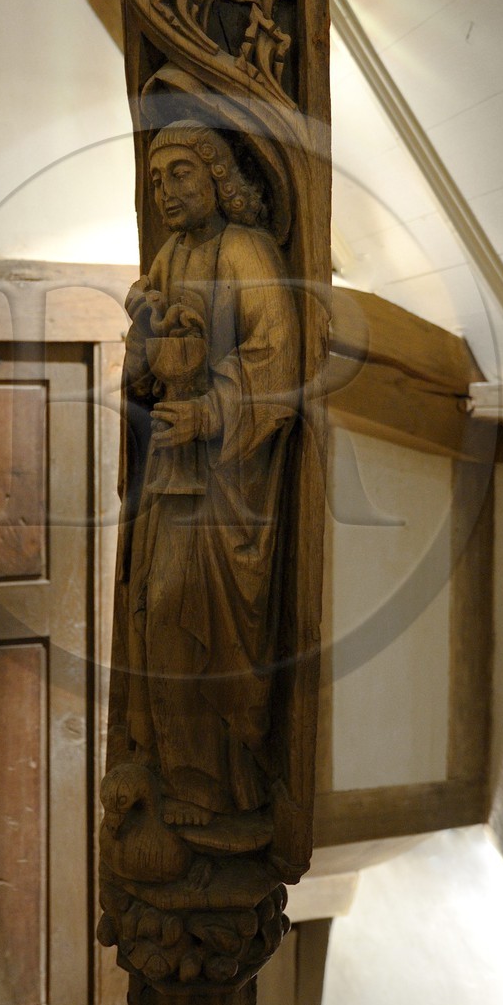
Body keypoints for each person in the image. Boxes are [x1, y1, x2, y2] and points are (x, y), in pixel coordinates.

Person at [119, 119, 300, 832]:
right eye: (157, 179)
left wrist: (210, 414)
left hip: (229, 485)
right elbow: (145, 363)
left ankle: (224, 785)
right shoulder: (168, 258)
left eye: (181, 175)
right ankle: (178, 772)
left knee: (184, 615)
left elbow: (277, 360)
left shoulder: (248, 251)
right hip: (172, 473)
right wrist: (146, 337)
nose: (165, 191)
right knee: (149, 612)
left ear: (218, 177)